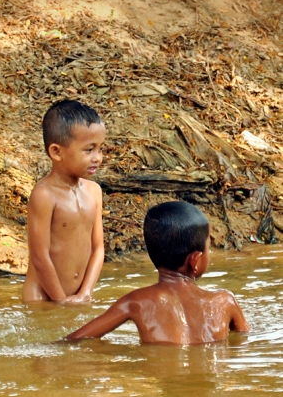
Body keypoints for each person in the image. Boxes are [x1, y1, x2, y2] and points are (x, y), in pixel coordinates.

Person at [64, 201, 250, 344]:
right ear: (195, 260)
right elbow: (244, 341)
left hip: (167, 380)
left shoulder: (136, 301)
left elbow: (76, 339)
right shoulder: (225, 301)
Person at [22, 99, 105, 303]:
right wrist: (60, 301)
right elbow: (39, 257)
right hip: (42, 298)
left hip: (78, 297)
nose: (97, 157)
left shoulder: (94, 191)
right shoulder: (44, 195)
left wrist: (85, 293)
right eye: (89, 150)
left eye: (100, 149)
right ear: (56, 152)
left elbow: (98, 248)